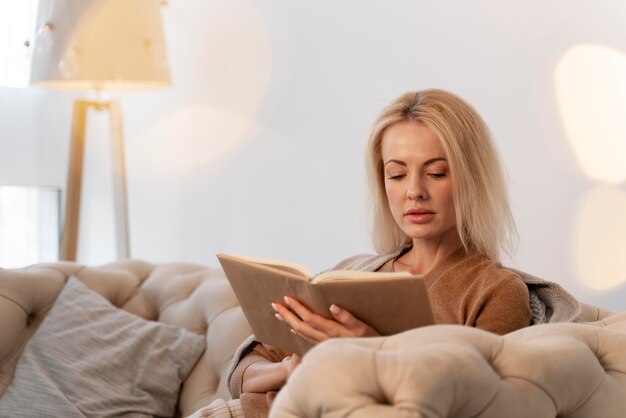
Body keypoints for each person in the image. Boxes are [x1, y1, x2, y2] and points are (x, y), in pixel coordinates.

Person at [226, 88, 581, 417]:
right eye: (396, 175)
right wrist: (290, 367)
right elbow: (240, 372)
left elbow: (472, 401)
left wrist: (373, 349)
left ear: (471, 178)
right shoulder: (353, 273)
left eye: (437, 173)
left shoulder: (494, 291)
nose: (414, 191)